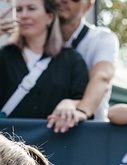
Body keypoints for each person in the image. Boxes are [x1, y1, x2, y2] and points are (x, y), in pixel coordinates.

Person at [0, 0, 87, 125]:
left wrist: (70, 103)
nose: (23, 15)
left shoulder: (71, 59)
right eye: (18, 10)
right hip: (8, 144)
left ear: (49, 17)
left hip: (54, 142)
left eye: (31, 8)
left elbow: (82, 99)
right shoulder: (4, 56)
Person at [45, 0, 118, 131]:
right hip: (45, 130)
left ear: (88, 5)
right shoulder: (39, 38)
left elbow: (102, 77)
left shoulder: (102, 38)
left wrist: (80, 112)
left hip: (88, 132)